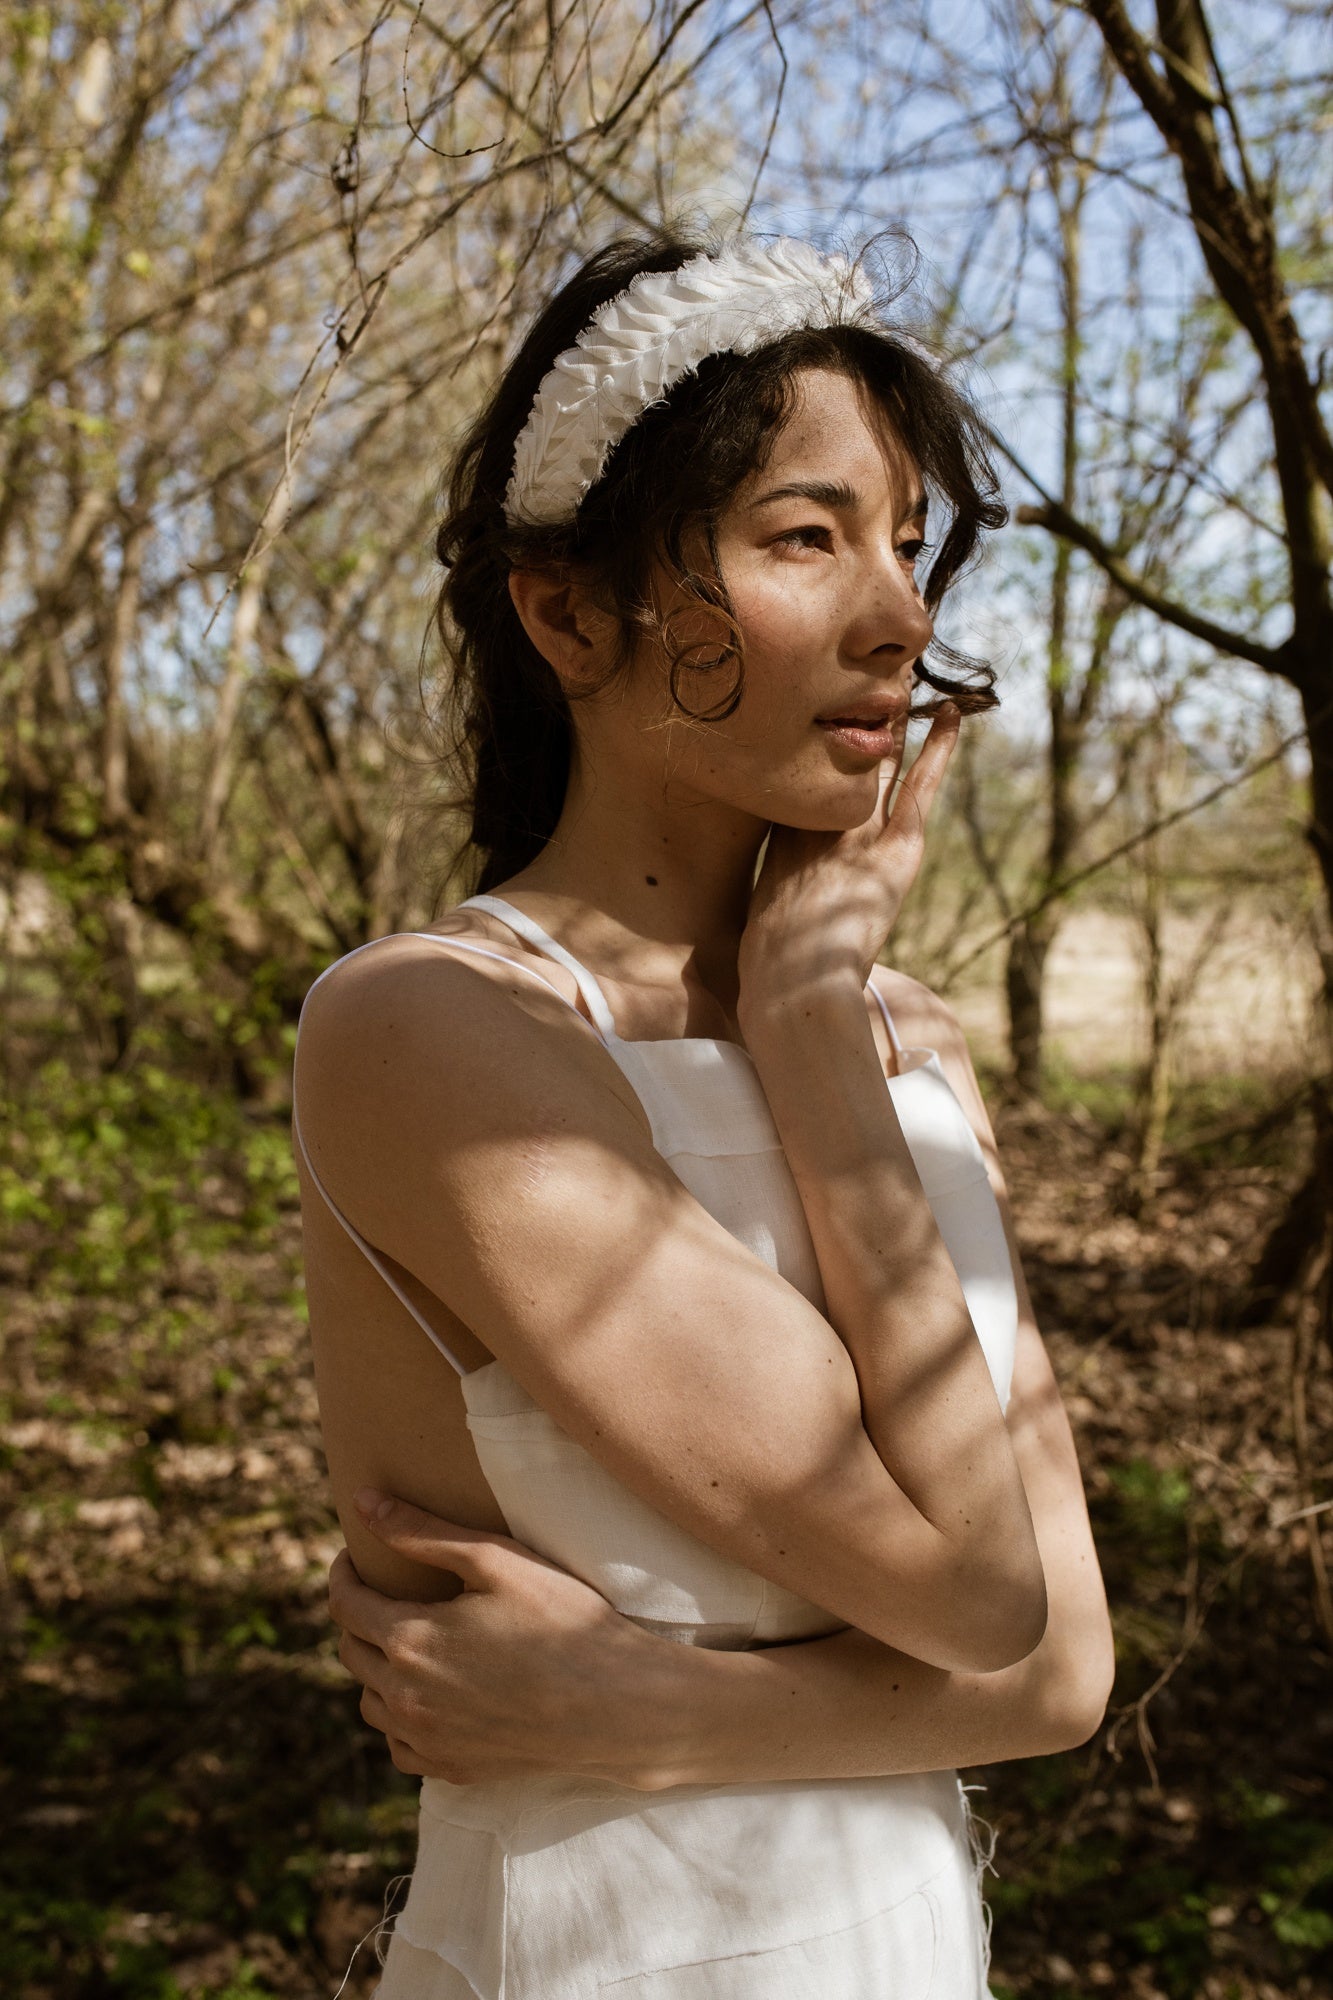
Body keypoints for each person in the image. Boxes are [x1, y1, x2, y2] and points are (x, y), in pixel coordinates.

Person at [293, 229, 1114, 2000]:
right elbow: (975, 1607)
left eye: (907, 543)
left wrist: (635, 1707)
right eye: (804, 537)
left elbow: (1059, 1681)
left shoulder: (903, 1040)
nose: (895, 611)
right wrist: (808, 1039)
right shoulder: (432, 1030)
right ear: (568, 610)